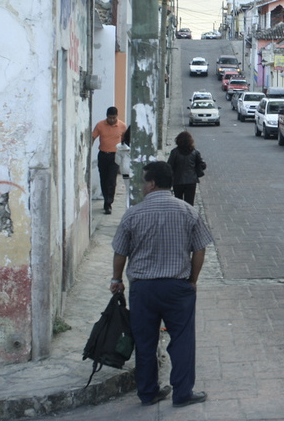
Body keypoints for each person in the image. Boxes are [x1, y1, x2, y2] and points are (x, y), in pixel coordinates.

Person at [110, 161, 213, 408]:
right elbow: (199, 250)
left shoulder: (133, 214)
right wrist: (193, 281)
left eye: (144, 181)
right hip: (178, 288)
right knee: (182, 341)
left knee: (144, 342)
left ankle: (147, 392)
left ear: (152, 183)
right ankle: (182, 393)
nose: (142, 186)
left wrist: (116, 280)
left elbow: (120, 253)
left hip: (143, 290)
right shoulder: (188, 211)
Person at [92, 106, 127, 214]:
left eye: (114, 118)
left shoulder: (122, 126)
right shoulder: (100, 125)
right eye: (110, 118)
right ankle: (105, 199)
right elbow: (93, 137)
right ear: (106, 116)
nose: (112, 120)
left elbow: (125, 141)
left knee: (112, 180)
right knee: (103, 179)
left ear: (117, 116)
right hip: (103, 155)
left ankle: (108, 204)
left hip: (115, 156)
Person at [167, 131, 205, 206]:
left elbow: (169, 166)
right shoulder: (195, 152)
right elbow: (202, 165)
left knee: (178, 202)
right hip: (191, 181)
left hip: (178, 181)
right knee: (190, 203)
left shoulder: (174, 152)